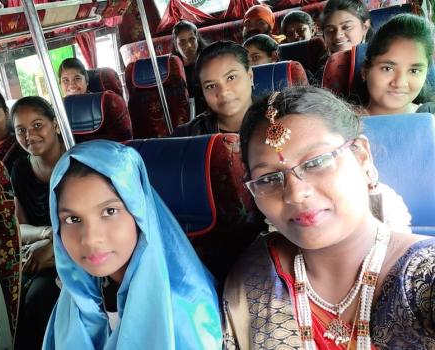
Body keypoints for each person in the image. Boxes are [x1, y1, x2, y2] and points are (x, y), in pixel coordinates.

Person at [222, 86, 429, 349]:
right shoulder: (253, 277)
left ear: (362, 156)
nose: (295, 194)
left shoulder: (423, 274)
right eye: (269, 179)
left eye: (316, 162)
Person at [42, 140, 222, 349]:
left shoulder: (183, 311)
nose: (90, 239)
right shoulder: (77, 293)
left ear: (139, 214)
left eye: (109, 212)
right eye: (73, 219)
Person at [10, 96, 66, 350]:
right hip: (39, 247)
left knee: (37, 301)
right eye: (21, 130)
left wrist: (56, 247)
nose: (29, 135)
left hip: (79, 248)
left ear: (55, 124)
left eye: (37, 125)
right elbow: (19, 227)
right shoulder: (19, 169)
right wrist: (48, 234)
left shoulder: (78, 161)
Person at [172, 41, 253, 136]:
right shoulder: (187, 136)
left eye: (231, 78)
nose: (223, 92)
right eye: (211, 86)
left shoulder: (273, 119)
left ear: (250, 76)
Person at [360, 14, 435, 115]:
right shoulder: (339, 124)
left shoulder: (431, 117)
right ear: (365, 71)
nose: (400, 83)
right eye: (387, 69)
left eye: (414, 71)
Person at [171, 20, 208, 115]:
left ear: (197, 40)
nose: (188, 45)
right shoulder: (173, 71)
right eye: (182, 42)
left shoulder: (209, 61)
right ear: (176, 46)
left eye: (192, 39)